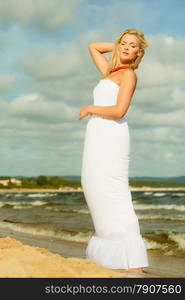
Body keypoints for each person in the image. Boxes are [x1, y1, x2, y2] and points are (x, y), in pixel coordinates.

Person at [79, 28, 149, 275]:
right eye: (124, 43)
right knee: (92, 185)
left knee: (114, 191)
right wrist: (120, 45)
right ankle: (110, 257)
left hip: (111, 135)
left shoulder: (128, 74)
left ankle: (133, 263)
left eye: (133, 46)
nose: (127, 48)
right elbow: (92, 46)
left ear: (140, 52)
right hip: (97, 135)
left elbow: (119, 111)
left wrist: (90, 107)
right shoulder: (112, 70)